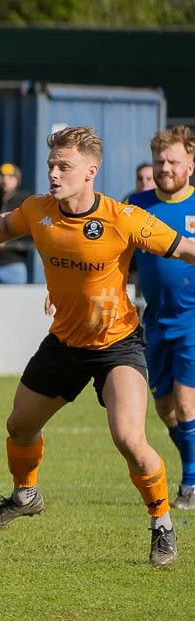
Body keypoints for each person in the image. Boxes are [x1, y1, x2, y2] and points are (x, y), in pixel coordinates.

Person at [0, 126, 195, 567]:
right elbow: (4, 225)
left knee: (130, 439)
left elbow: (185, 248)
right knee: (19, 426)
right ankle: (25, 495)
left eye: (64, 167)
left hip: (117, 344)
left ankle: (162, 525)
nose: (54, 175)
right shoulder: (38, 210)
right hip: (64, 344)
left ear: (90, 171)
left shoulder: (123, 218)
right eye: (51, 166)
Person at [127, 126, 195, 511]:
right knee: (166, 409)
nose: (165, 168)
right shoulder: (136, 204)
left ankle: (190, 481)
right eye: (159, 161)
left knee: (187, 405)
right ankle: (193, 461)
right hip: (155, 320)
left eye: (173, 161)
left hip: (193, 318)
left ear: (191, 164)